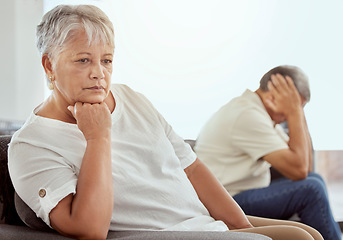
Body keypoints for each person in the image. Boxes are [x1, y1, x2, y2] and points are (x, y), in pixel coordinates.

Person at [8, 5, 323, 240]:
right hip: (165, 235)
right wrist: (97, 137)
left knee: (308, 234)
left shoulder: (131, 98)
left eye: (106, 60)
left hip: (202, 224)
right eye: (83, 60)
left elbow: (192, 168)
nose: (99, 73)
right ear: (49, 65)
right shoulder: (30, 145)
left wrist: (238, 226)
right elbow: (90, 229)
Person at [195, 65, 342, 240]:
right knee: (312, 189)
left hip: (241, 193)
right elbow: (299, 170)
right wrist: (294, 112)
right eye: (294, 103)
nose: (292, 114)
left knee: (314, 180)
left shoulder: (260, 113)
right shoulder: (247, 114)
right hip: (227, 201)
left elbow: (305, 168)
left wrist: (297, 112)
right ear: (274, 93)